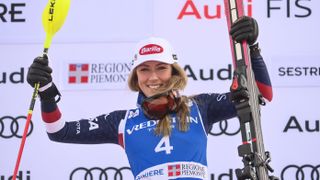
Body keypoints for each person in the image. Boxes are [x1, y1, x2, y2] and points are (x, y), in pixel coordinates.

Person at [27, 16, 272, 180]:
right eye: (144, 69)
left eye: (161, 68)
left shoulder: (200, 107)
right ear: (136, 77)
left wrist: (253, 49)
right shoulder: (121, 122)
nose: (153, 77)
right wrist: (47, 93)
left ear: (174, 72)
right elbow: (58, 131)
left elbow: (260, 95)